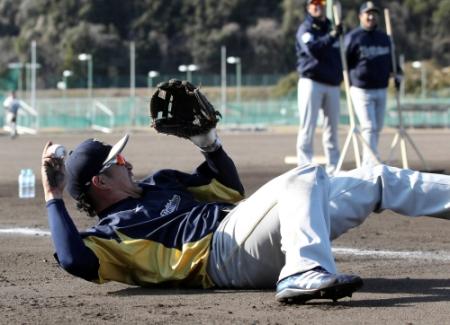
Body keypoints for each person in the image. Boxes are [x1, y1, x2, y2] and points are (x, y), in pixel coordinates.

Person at [42, 103, 450, 305]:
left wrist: (208, 144)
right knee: (304, 175)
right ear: (99, 182)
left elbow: (229, 189)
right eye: (118, 160)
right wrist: (52, 196)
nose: (128, 161)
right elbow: (74, 260)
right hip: (222, 258)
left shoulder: (159, 184)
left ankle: (303, 262)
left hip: (257, 229)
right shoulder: (111, 235)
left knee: (377, 177)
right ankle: (303, 271)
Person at [345, 1, 403, 166]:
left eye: (373, 14)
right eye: (367, 14)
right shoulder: (353, 38)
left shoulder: (385, 38)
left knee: (377, 127)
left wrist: (397, 75)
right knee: (369, 126)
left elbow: (392, 63)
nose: (371, 17)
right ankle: (370, 163)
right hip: (361, 89)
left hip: (381, 88)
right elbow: (344, 63)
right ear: (360, 16)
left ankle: (369, 159)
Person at [295, 0, 343, 176]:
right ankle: (305, 167)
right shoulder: (305, 28)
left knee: (332, 129)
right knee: (308, 126)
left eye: (321, 3)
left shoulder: (332, 28)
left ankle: (334, 168)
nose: (318, 6)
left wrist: (337, 35)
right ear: (309, 7)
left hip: (332, 84)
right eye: (314, 4)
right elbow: (313, 49)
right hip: (311, 82)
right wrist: (332, 36)